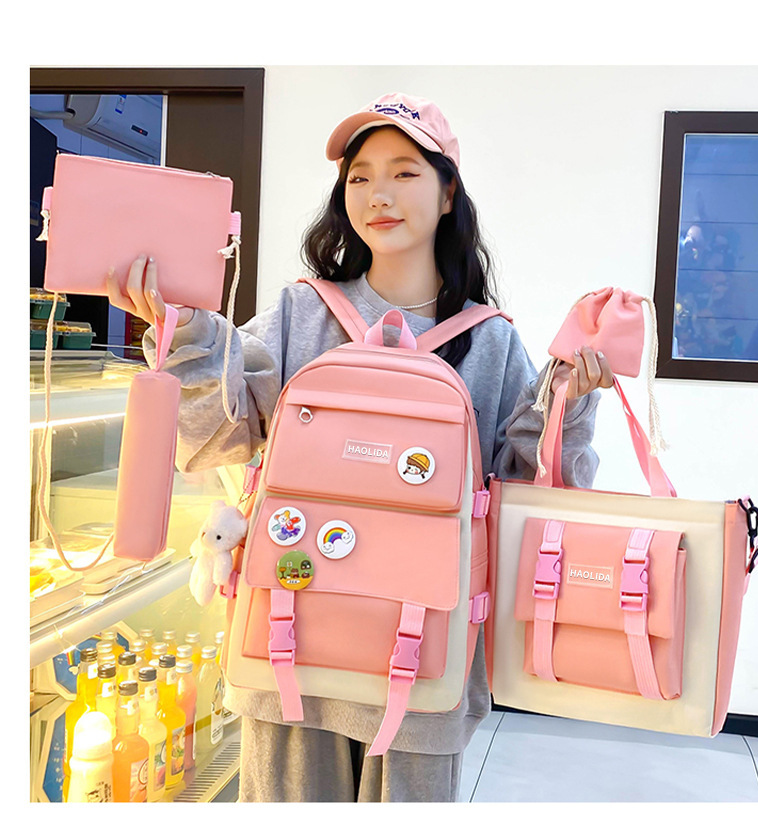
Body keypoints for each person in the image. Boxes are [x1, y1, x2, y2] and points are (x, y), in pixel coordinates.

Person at [107, 92, 613, 803]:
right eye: (359, 176)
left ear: (448, 194)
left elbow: (526, 494)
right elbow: (219, 437)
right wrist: (184, 333)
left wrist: (569, 400)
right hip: (291, 642)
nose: (379, 193)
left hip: (425, 657)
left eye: (405, 172)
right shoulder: (301, 311)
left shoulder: (490, 340)